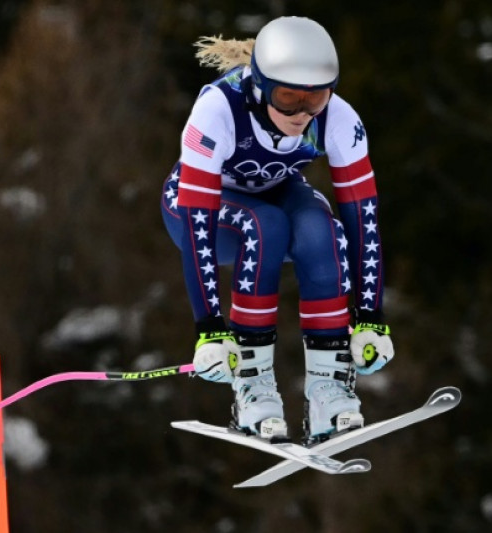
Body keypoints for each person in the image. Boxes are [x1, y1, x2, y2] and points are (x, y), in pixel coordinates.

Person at [161, 16, 394, 444]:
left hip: (275, 194)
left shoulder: (339, 118)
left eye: (316, 98)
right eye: (287, 98)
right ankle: (253, 386)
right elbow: (198, 220)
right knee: (264, 225)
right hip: (199, 213)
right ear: (259, 86)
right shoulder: (218, 109)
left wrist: (371, 318)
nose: (302, 114)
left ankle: (328, 390)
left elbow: (364, 217)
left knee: (319, 227)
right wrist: (209, 328)